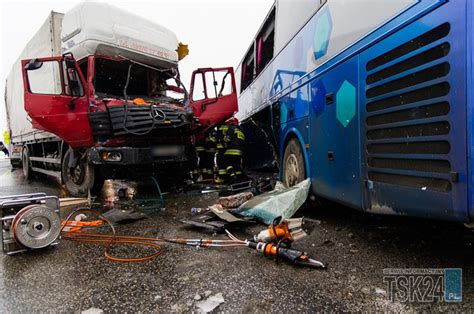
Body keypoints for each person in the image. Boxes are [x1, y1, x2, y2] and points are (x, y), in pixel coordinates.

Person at [223, 118, 245, 183]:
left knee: (225, 162)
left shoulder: (231, 129)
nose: (227, 126)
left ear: (231, 123)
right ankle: (239, 179)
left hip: (231, 151)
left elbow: (227, 139)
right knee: (236, 166)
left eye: (227, 124)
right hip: (239, 153)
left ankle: (232, 176)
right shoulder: (240, 131)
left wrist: (222, 139)